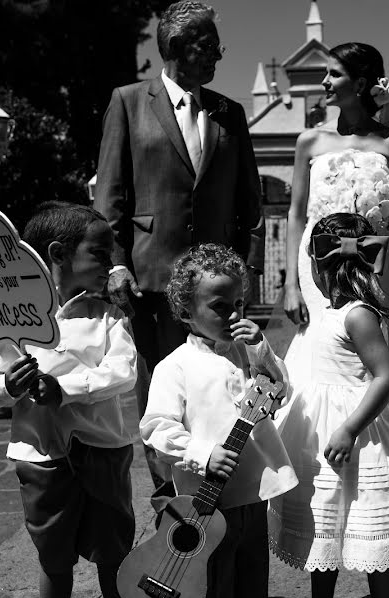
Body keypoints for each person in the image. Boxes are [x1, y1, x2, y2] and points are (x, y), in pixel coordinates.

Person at [94, 0, 262, 502]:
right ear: (177, 48)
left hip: (218, 289)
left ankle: (223, 494)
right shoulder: (127, 101)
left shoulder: (229, 113)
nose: (217, 56)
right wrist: (116, 263)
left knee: (222, 387)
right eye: (209, 46)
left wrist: (247, 272)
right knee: (161, 395)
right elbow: (111, 197)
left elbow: (249, 204)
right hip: (150, 280)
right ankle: (171, 502)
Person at [0, 202, 138, 598]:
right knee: (53, 557)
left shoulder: (107, 317)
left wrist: (65, 389)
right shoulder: (12, 320)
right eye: (100, 254)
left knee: (113, 551)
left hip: (104, 449)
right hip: (41, 456)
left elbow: (124, 372)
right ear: (58, 254)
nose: (112, 264)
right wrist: (9, 386)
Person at [269, 213, 389, 598]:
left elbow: (386, 376)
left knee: (371, 527)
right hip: (321, 432)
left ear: (322, 268)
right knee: (324, 525)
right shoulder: (327, 314)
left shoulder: (358, 315)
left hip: (363, 435)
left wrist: (350, 428)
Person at [140, 244, 297, 598]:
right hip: (206, 501)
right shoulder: (175, 366)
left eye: (239, 305)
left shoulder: (247, 353)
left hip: (253, 492)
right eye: (219, 307)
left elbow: (280, 388)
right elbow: (156, 428)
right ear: (185, 311)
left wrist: (261, 348)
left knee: (253, 576)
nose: (233, 315)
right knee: (213, 580)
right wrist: (203, 453)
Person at [281, 42, 389, 391]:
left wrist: (385, 213)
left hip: (372, 263)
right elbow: (296, 214)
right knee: (319, 341)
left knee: (374, 345)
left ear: (359, 84)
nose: (325, 81)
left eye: (334, 73)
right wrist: (290, 286)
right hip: (316, 263)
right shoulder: (310, 141)